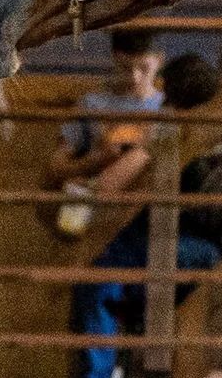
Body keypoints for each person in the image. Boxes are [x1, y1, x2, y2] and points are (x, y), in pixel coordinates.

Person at [46, 53, 222, 378]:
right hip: (214, 249)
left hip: (179, 248)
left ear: (170, 94)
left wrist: (108, 162)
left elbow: (108, 187)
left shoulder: (172, 131)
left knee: (102, 282)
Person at [47, 28, 165, 240]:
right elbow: (56, 166)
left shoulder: (166, 107)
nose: (134, 77)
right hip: (92, 214)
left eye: (144, 68)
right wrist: (93, 161)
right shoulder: (92, 103)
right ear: (114, 59)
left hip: (144, 217)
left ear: (159, 60)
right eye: (125, 67)